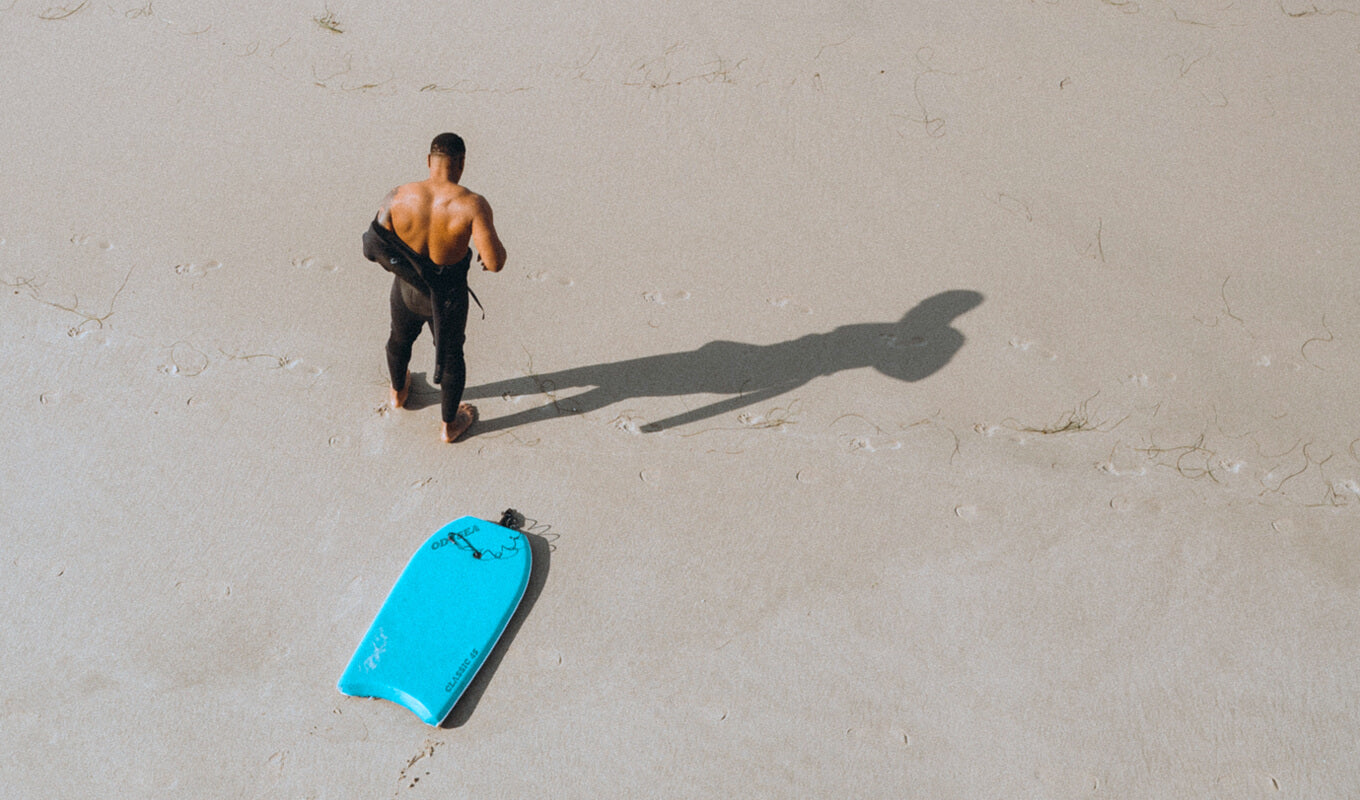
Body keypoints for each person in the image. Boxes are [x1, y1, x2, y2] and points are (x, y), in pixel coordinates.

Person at [363, 133, 506, 442]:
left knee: (399, 339)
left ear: (429, 161)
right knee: (452, 357)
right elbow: (495, 263)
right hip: (448, 299)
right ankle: (449, 425)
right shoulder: (473, 205)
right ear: (462, 163)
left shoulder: (398, 195)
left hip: (406, 291)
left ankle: (398, 392)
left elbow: (373, 243)